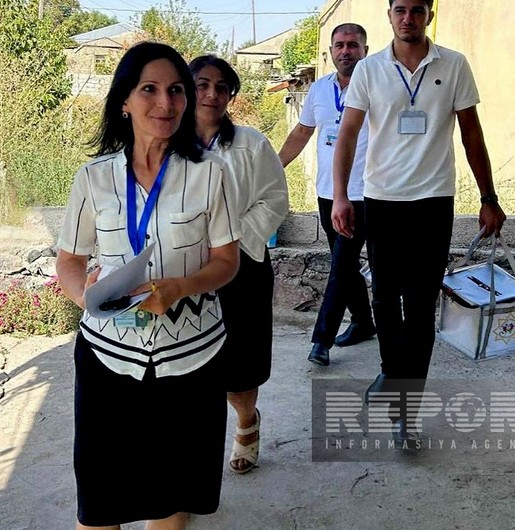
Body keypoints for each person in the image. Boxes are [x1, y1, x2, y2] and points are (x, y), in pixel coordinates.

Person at [55, 42, 240, 530]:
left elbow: (227, 262)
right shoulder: (93, 179)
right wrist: (87, 296)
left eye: (176, 90)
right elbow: (69, 261)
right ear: (124, 101)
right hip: (108, 358)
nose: (166, 103)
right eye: (150, 89)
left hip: (191, 358)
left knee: (170, 495)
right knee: (100, 498)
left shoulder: (210, 175)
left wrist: (180, 287)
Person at [331, 0, 507, 448]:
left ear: (430, 14)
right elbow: (348, 134)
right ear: (389, 15)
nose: (408, 18)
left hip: (432, 203)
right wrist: (340, 196)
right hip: (382, 201)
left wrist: (489, 198)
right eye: (400, 10)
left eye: (417, 10)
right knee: (385, 301)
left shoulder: (454, 64)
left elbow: (471, 133)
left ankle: (407, 410)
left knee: (421, 307)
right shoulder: (370, 70)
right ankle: (394, 379)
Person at [189, 55, 289, 474]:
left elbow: (274, 199)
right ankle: (194, 455)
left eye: (222, 87)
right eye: (202, 84)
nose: (212, 94)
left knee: (240, 362)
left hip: (243, 265)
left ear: (232, 95)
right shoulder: (167, 144)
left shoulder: (251, 144)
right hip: (187, 269)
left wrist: (233, 242)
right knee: (190, 363)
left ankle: (247, 422)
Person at [278, 23, 376, 367]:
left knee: (341, 264)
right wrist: (274, 169)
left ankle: (322, 340)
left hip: (365, 193)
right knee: (344, 265)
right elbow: (303, 132)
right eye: (339, 45)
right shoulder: (319, 90)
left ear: (365, 49)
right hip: (328, 193)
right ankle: (364, 323)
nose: (345, 51)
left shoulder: (377, 86)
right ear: (331, 51)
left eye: (353, 45)